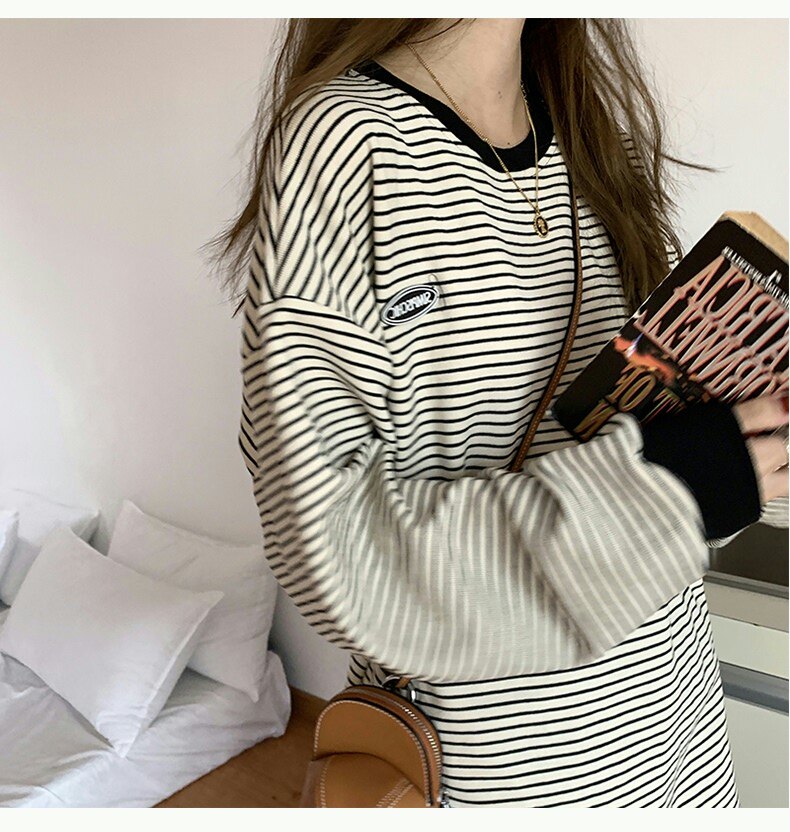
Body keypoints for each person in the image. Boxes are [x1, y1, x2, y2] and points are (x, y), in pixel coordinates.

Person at [212, 19, 789, 808]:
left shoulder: (592, 133)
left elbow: (633, 442)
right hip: (506, 764)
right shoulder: (342, 141)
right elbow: (330, 546)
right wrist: (671, 491)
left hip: (676, 721)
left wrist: (732, 458)